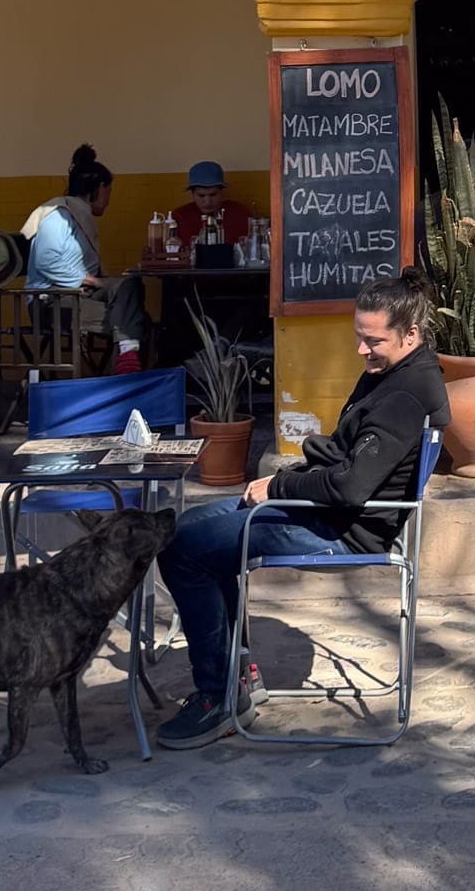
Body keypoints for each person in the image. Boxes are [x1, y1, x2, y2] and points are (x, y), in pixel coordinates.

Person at [155, 267, 450, 749]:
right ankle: (237, 677)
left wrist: (281, 484)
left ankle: (218, 696)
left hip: (342, 530)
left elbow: (353, 487)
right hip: (328, 509)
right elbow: (345, 454)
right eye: (359, 336)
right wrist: (310, 463)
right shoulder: (392, 371)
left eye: (372, 340)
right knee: (189, 529)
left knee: (185, 548)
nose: (361, 349)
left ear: (410, 334)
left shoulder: (404, 393)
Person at [21, 143, 149, 374]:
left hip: (79, 296)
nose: (108, 200)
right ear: (99, 188)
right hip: (52, 302)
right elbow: (47, 260)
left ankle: (126, 360)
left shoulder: (79, 213)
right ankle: (122, 375)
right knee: (133, 322)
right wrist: (93, 281)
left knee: (131, 285)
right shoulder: (58, 214)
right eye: (108, 192)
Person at [172, 161, 251, 248]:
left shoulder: (240, 214)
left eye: (213, 195)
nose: (207, 202)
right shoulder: (180, 217)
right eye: (201, 196)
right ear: (192, 194)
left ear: (221, 192)